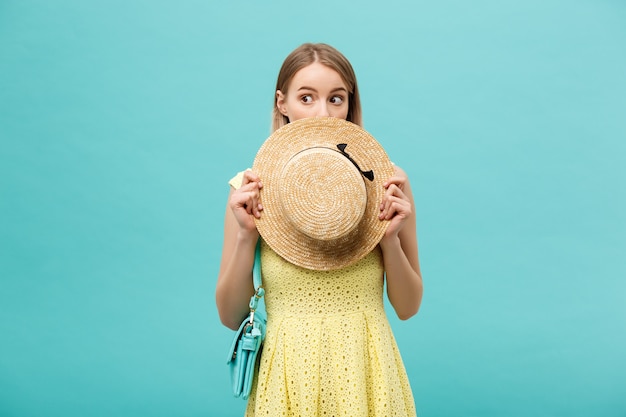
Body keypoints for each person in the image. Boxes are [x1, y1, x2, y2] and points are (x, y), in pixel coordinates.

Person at [216, 43, 423, 416]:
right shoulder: (248, 191)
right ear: (282, 103)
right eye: (306, 98)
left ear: (350, 104)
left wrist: (390, 240)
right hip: (286, 379)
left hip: (368, 374)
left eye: (336, 99)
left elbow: (408, 308)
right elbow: (231, 316)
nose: (323, 113)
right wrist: (247, 236)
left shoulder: (389, 185)